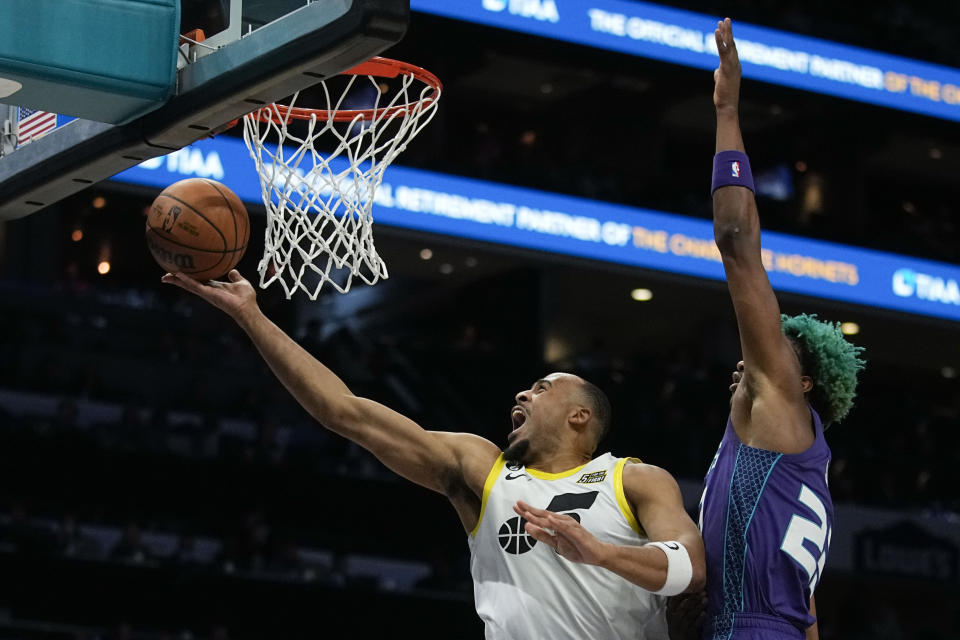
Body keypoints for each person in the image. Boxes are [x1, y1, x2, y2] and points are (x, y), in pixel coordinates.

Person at [162, 269, 705, 639]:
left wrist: (600, 552)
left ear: (580, 415)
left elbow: (691, 566)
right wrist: (252, 316)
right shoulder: (482, 471)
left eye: (541, 388)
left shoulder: (631, 479)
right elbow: (344, 411)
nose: (521, 394)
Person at [680, 18, 866, 640]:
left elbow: (736, 241)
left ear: (802, 378)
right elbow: (807, 620)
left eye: (774, 350)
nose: (750, 357)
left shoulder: (781, 404)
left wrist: (728, 110)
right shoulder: (801, 471)